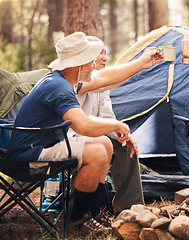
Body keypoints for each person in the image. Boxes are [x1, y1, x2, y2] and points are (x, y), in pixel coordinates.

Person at [6, 32, 163, 235]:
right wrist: (117, 125)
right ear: (77, 64)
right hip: (29, 155)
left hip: (44, 142)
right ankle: (78, 220)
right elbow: (82, 125)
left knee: (105, 144)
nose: (93, 66)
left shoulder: (63, 80)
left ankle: (93, 212)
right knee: (96, 152)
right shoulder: (58, 87)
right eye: (90, 61)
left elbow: (105, 77)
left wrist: (141, 64)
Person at [70, 35, 144, 216]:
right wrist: (140, 64)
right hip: (72, 136)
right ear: (86, 56)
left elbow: (105, 115)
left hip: (94, 133)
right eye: (99, 53)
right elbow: (99, 83)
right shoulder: (74, 80)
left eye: (105, 53)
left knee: (125, 146)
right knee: (102, 141)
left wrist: (124, 135)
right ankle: (85, 212)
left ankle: (131, 209)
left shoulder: (103, 84)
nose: (104, 57)